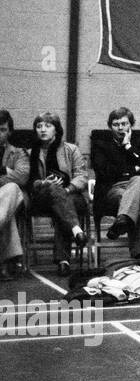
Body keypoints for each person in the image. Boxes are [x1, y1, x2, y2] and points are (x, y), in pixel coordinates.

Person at [25, 112, 89, 276]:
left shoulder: (71, 149)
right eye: (39, 126)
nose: (43, 130)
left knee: (62, 204)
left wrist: (67, 190)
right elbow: (29, 181)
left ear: (56, 129)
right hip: (42, 197)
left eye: (48, 126)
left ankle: (63, 261)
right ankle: (76, 231)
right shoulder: (31, 152)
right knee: (55, 192)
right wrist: (44, 183)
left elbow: (82, 176)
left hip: (71, 194)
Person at [90, 106, 140, 261]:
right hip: (113, 191)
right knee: (131, 198)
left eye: (124, 124)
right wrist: (135, 168)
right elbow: (103, 172)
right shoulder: (100, 146)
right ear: (110, 126)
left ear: (130, 125)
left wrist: (128, 147)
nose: (120, 128)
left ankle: (122, 222)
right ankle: (138, 252)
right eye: (116, 124)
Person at [0, 110, 29, 279]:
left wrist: (3, 170)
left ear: (9, 131)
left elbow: (22, 177)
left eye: (2, 129)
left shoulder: (19, 152)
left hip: (10, 196)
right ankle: (3, 264)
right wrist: (8, 171)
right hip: (6, 209)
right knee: (6, 215)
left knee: (12, 188)